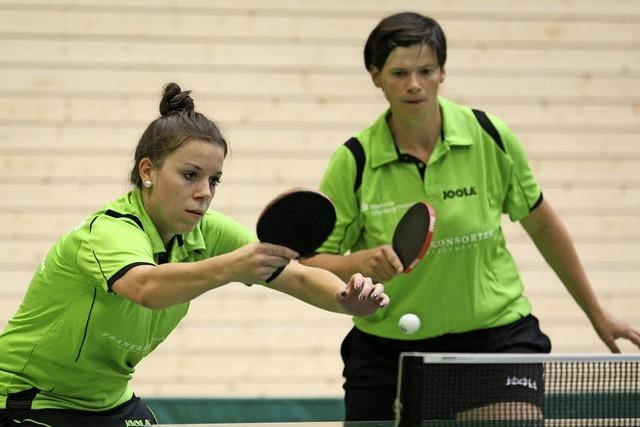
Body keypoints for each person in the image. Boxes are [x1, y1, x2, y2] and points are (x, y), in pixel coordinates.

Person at [301, 12, 640, 422]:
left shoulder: (488, 136)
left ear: (443, 71)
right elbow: (312, 262)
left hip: (496, 339)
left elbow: (544, 226)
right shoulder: (354, 161)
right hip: (388, 349)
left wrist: (596, 313)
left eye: (426, 70)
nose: (414, 84)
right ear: (375, 76)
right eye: (399, 72)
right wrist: (360, 263)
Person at [0, 82, 389, 427]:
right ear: (148, 171)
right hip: (29, 399)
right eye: (190, 176)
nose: (204, 191)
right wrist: (234, 266)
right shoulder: (110, 231)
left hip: (108, 402)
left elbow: (297, 275)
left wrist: (345, 299)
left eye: (213, 179)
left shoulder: (207, 232)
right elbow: (145, 286)